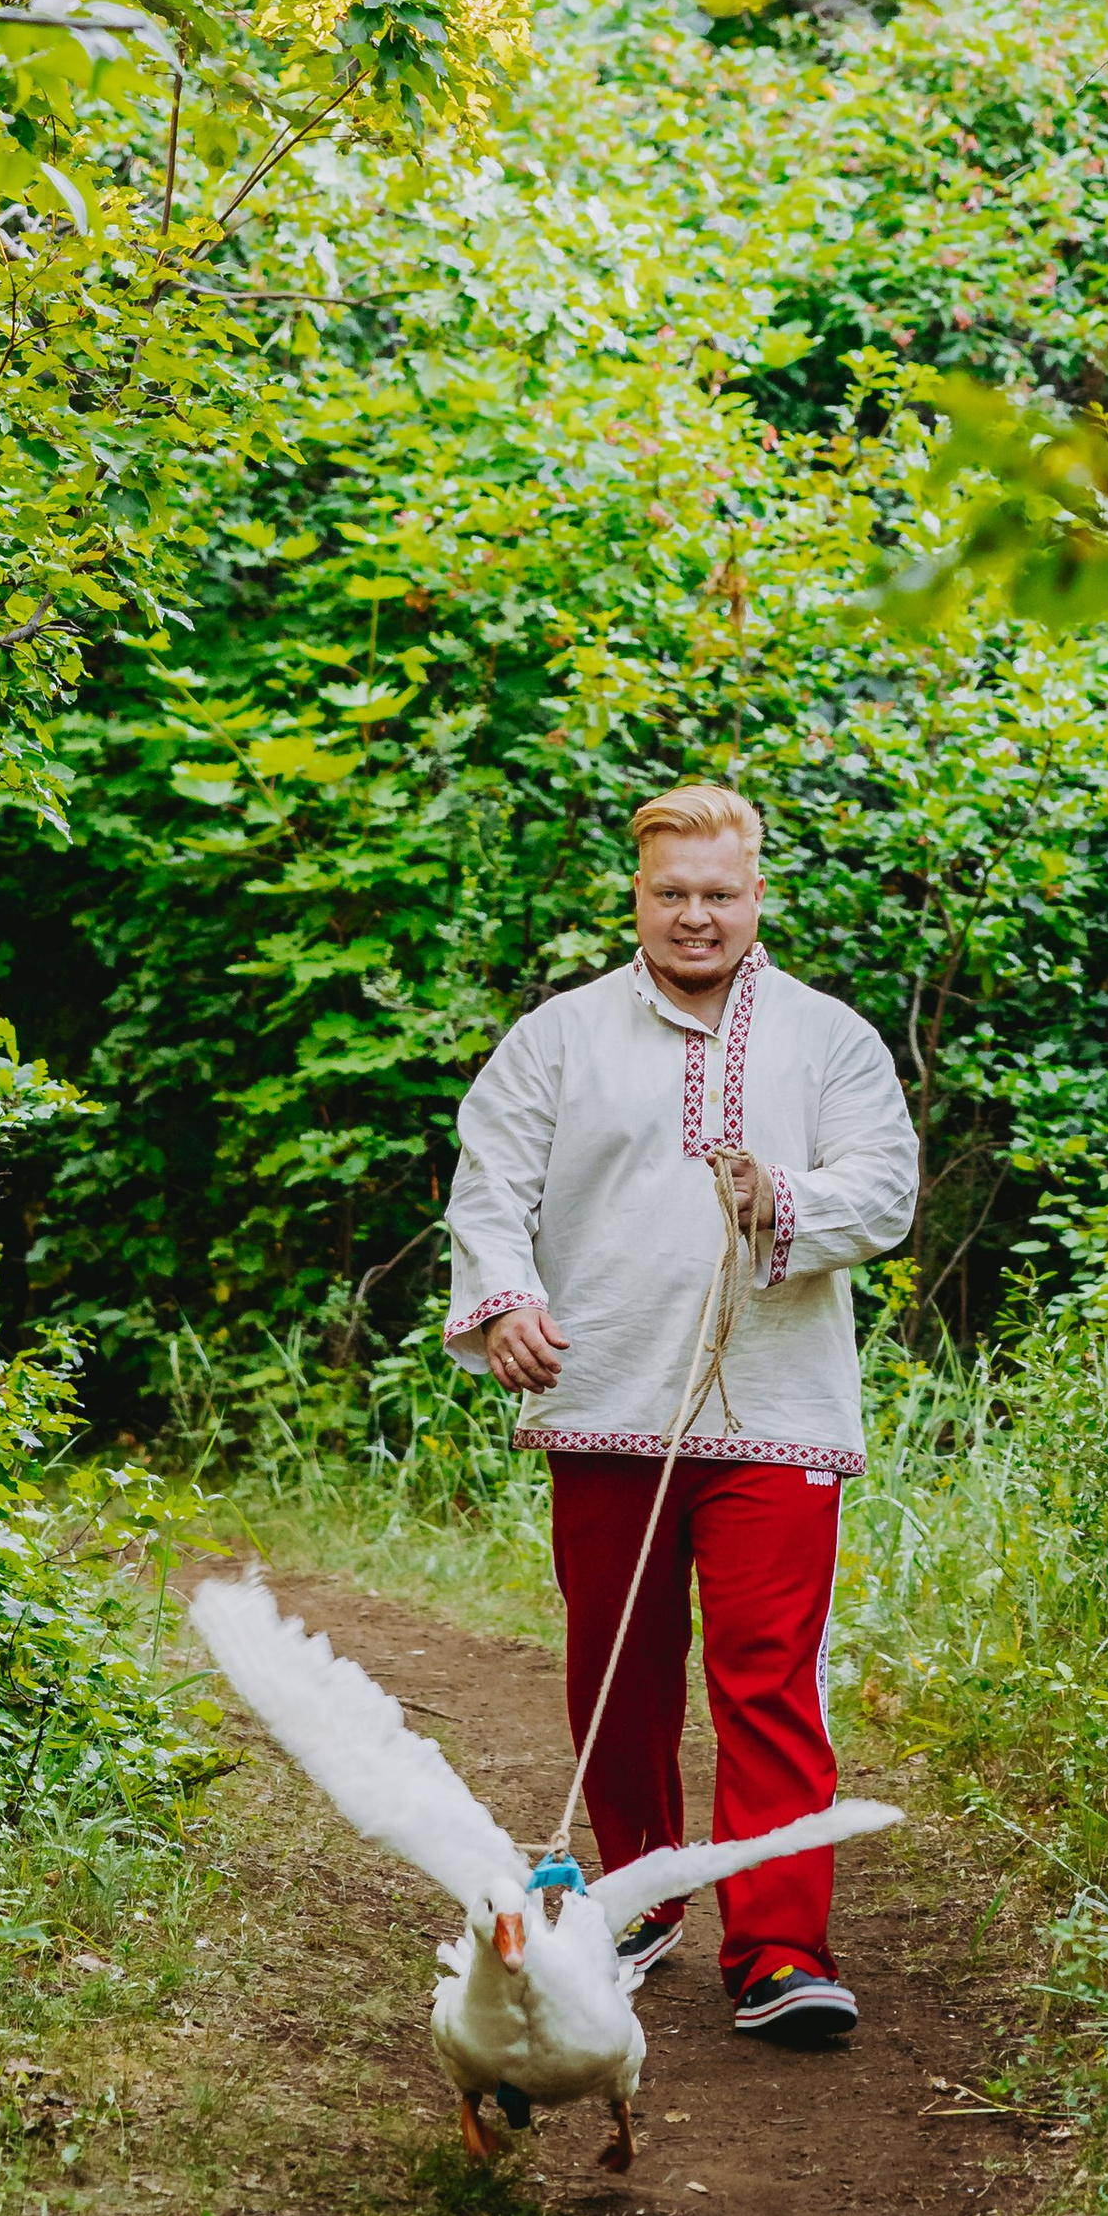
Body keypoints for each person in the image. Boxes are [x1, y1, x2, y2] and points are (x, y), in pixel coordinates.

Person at [441, 783, 919, 2046]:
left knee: (766, 1677)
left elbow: (885, 1190)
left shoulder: (830, 1041)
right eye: (672, 894)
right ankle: (639, 1899)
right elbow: (489, 1182)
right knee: (621, 1670)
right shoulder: (560, 1037)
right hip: (600, 1400)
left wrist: (788, 1197)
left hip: (776, 1411)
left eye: (719, 893)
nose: (696, 916)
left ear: (757, 894)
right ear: (637, 896)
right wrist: (504, 1304)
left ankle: (775, 1951)